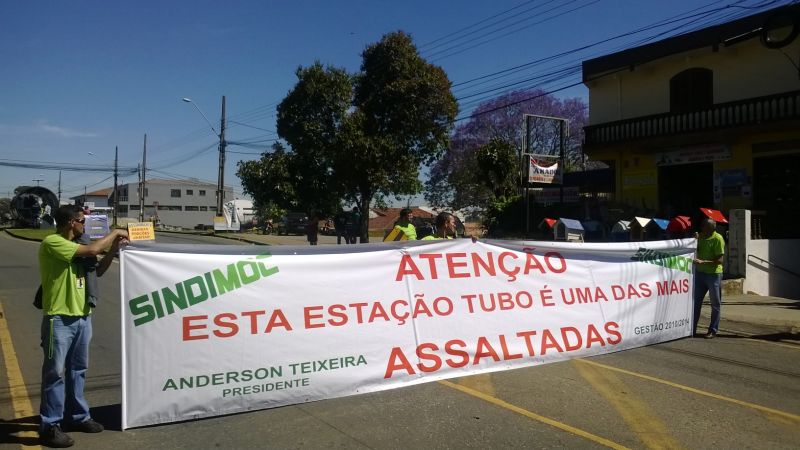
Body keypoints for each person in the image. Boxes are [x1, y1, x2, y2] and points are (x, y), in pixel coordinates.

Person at [38, 205, 128, 448]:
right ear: (70, 223)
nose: (84, 225)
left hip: (82, 316)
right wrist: (115, 232)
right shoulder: (53, 243)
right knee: (54, 374)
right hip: (58, 319)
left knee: (78, 370)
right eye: (81, 220)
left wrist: (113, 250)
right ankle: (50, 425)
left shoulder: (80, 246)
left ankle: (77, 417)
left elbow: (97, 270)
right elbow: (93, 249)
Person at [692, 218, 725, 339]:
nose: (701, 228)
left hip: (713, 275)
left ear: (711, 228)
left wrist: (703, 261)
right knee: (695, 302)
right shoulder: (700, 236)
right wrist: (693, 240)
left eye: (704, 226)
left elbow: (720, 260)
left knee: (715, 304)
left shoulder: (718, 239)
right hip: (700, 274)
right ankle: (692, 328)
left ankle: (713, 330)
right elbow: (694, 249)